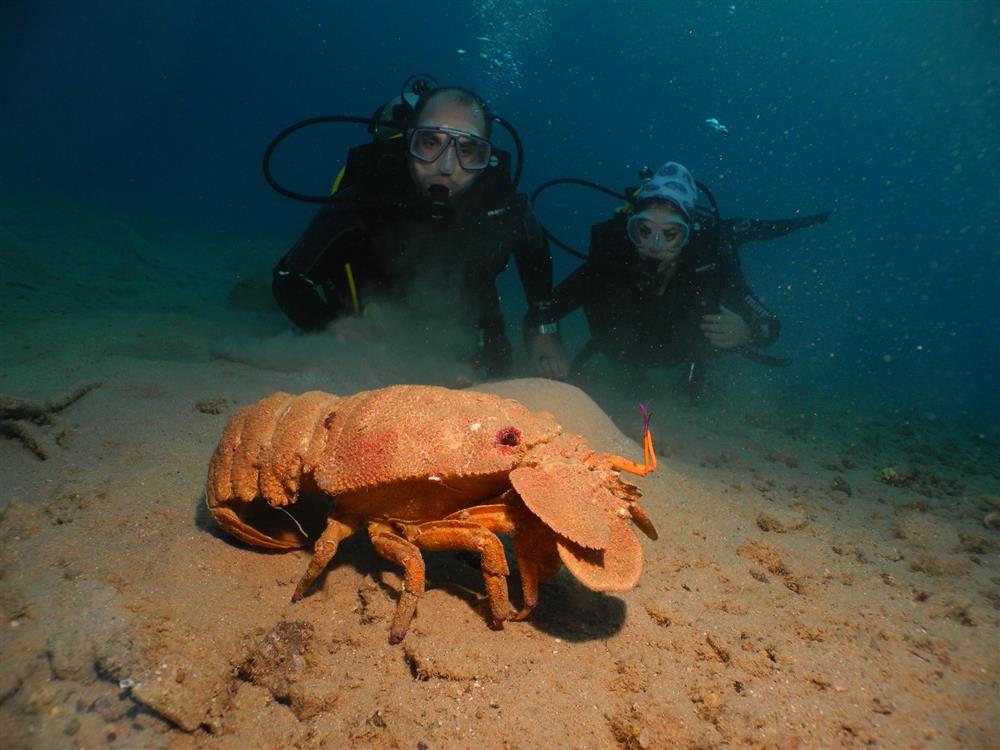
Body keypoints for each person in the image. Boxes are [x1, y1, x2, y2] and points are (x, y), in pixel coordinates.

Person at [271, 86, 567, 380]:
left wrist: (544, 330)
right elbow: (289, 279)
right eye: (430, 143)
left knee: (498, 363)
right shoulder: (363, 198)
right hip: (367, 327)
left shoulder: (504, 207)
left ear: (485, 158)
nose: (447, 166)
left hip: (467, 328)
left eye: (466, 150)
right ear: (408, 142)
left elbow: (536, 253)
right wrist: (330, 325)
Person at [550, 161, 829, 397]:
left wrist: (748, 331)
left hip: (681, 353)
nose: (655, 246)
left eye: (671, 234)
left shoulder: (707, 262)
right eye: (644, 231)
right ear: (630, 227)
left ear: (688, 234)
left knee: (737, 231)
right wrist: (546, 341)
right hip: (622, 351)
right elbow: (544, 311)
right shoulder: (611, 258)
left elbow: (769, 326)